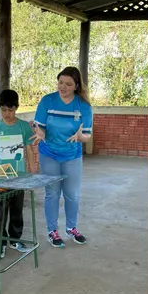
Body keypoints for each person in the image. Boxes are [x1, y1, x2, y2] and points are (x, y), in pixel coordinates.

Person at [31, 67, 93, 248]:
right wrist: (40, 133)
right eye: (60, 83)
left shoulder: (83, 106)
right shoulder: (47, 101)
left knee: (72, 194)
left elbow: (87, 135)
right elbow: (39, 126)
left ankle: (71, 228)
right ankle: (52, 231)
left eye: (68, 84)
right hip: (49, 153)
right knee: (52, 193)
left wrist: (80, 137)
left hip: (72, 155)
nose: (63, 87)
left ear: (76, 86)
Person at [0, 90, 36, 259]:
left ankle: (14, 239)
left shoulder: (23, 127)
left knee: (16, 210)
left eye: (10, 110)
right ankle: (0, 243)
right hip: (0, 178)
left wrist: (32, 172)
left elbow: (29, 149)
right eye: (4, 110)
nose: (7, 114)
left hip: (18, 177)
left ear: (16, 108)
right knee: (0, 212)